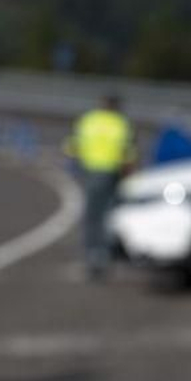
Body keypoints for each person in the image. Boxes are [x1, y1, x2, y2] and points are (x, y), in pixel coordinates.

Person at [66, 93, 136, 279]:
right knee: (109, 215)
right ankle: (104, 255)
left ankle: (93, 255)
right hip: (112, 174)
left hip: (90, 172)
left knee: (92, 217)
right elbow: (128, 153)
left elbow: (73, 146)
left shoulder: (88, 120)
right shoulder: (120, 123)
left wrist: (76, 165)